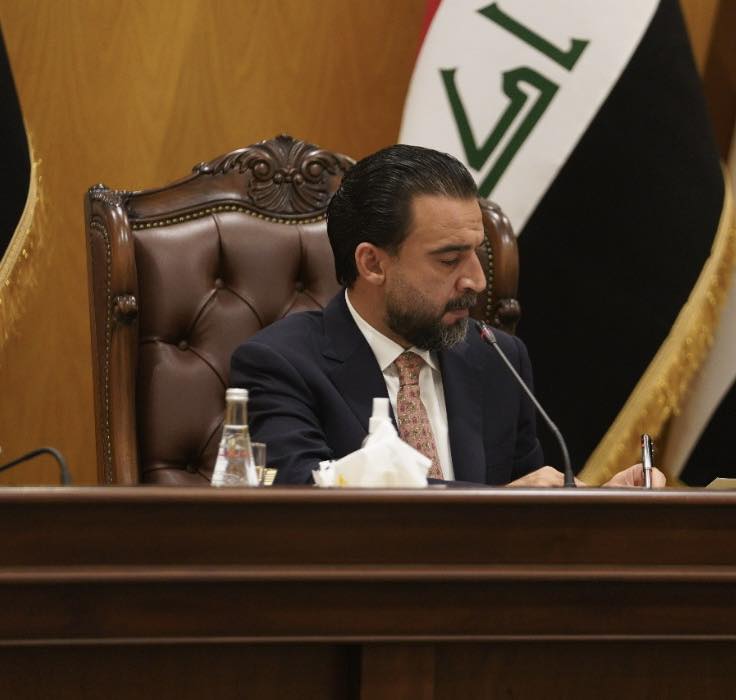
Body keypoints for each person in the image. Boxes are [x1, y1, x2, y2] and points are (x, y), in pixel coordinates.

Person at [230, 144, 664, 488]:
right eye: (449, 260)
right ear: (373, 264)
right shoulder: (280, 365)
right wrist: (495, 508)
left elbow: (532, 504)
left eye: (476, 252)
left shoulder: (499, 358)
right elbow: (304, 504)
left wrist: (598, 505)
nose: (476, 280)